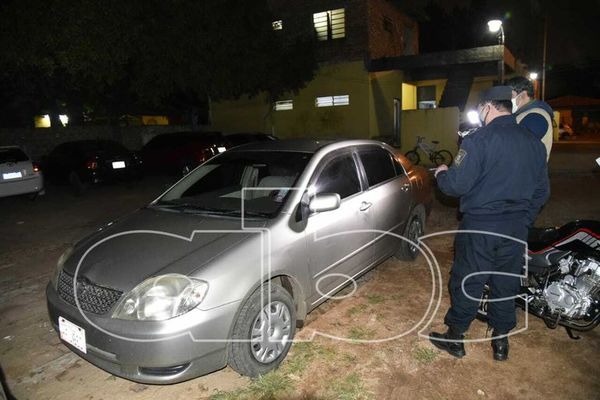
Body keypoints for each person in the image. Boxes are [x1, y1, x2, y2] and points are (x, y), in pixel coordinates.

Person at [430, 86, 549, 361]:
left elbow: (456, 185)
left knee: (468, 280)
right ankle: (500, 343)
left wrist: (442, 174)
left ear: (487, 107)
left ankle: (456, 337)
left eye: (480, 110)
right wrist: (524, 219)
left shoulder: (478, 140)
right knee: (505, 284)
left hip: (481, 226)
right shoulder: (533, 143)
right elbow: (542, 192)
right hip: (516, 228)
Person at [506, 76, 555, 160]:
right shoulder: (523, 114)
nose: (508, 100)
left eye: (511, 95)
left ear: (523, 95)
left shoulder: (536, 117)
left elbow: (516, 147)